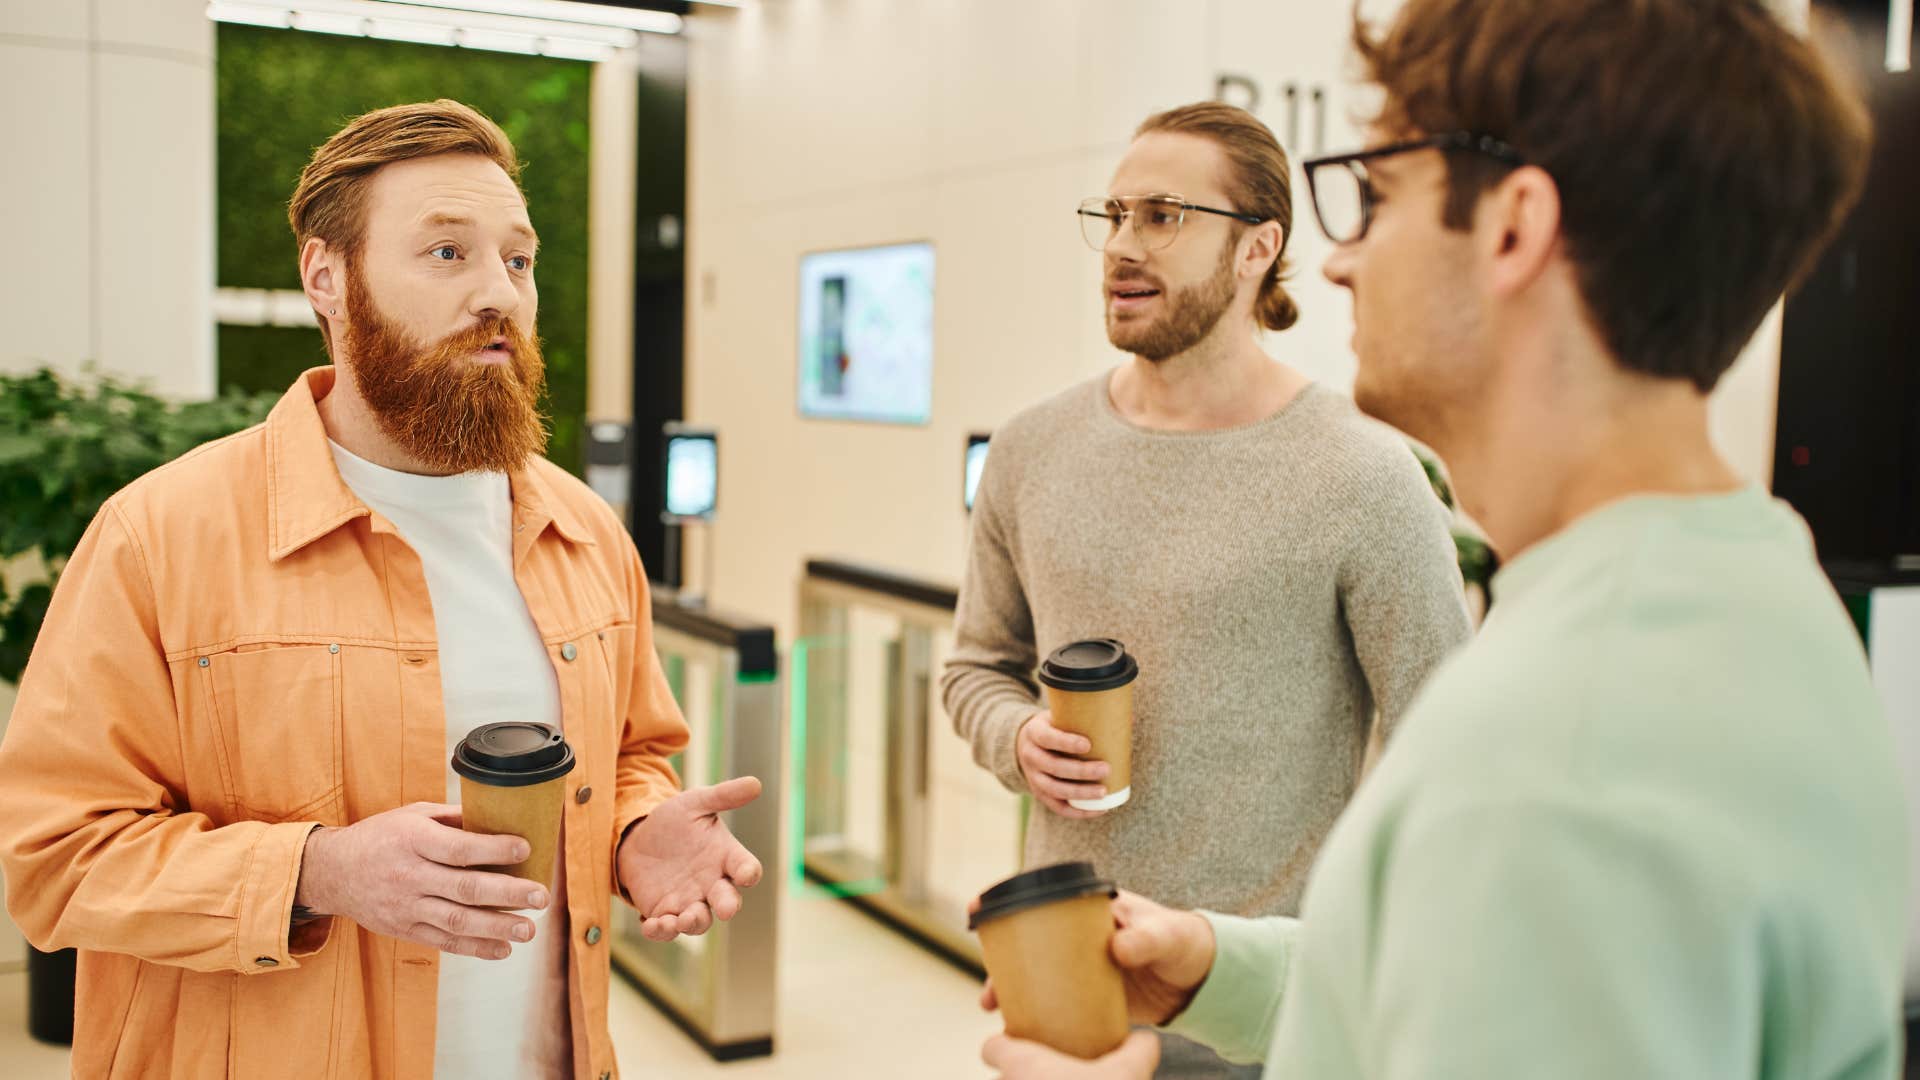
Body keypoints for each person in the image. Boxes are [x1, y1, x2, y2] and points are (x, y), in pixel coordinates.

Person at [978, 1, 1907, 1077]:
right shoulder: (1741, 596)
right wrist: (1221, 971)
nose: (1337, 265)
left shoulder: (1558, 765)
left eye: (1376, 199)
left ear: (1513, 228)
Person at [0, 99, 763, 1080]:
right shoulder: (160, 537)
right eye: (447, 253)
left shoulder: (582, 532)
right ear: (329, 277)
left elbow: (629, 758)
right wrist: (320, 874)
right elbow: (53, 856)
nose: (500, 291)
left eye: (518, 260)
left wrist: (629, 832)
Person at [942, 101, 1473, 1077]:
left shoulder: (1365, 478)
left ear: (1256, 248)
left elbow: (1450, 753)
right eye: (1114, 216)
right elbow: (976, 667)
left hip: (1270, 1015)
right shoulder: (1030, 451)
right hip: (1066, 994)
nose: (1123, 247)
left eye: (1165, 216)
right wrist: (1015, 737)